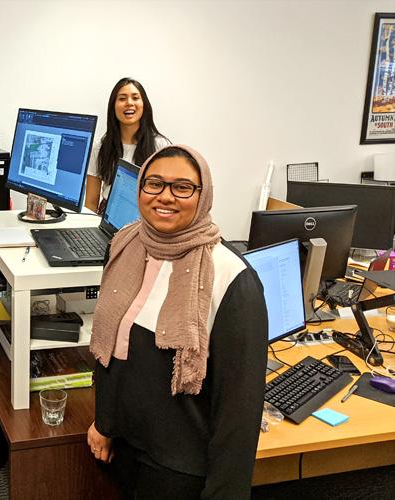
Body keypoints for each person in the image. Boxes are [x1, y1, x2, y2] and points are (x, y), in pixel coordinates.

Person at [87, 145, 267, 499]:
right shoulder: (126, 245)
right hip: (123, 447)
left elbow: (239, 411)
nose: (165, 196)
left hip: (179, 468)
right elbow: (111, 353)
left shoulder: (232, 278)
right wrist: (104, 421)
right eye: (153, 183)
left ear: (203, 196)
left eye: (182, 187)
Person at [85, 78, 170, 214]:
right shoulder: (100, 147)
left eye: (135, 98)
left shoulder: (160, 146)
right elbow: (90, 203)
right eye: (122, 98)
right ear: (113, 106)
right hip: (107, 215)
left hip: (145, 217)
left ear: (144, 105)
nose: (129, 103)